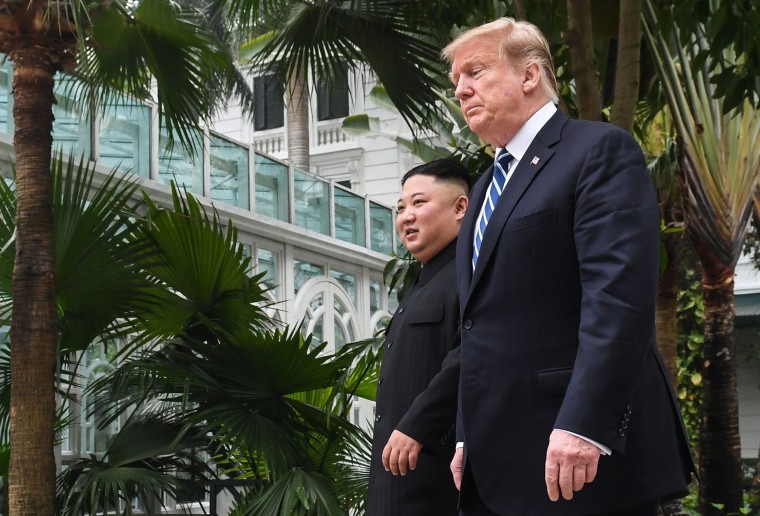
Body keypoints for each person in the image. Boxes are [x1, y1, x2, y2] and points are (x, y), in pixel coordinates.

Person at [441, 18, 696, 516]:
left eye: (475, 71)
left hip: (580, 460)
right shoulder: (487, 186)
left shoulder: (598, 150)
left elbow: (618, 299)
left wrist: (585, 424)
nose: (462, 89)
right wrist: (467, 434)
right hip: (499, 463)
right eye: (456, 82)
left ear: (529, 75)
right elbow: (477, 326)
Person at [366, 159, 470, 516]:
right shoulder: (421, 282)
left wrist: (418, 425)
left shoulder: (470, 273)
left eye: (419, 203)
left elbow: (469, 355)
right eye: (400, 207)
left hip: (438, 477)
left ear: (461, 208)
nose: (405, 216)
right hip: (397, 482)